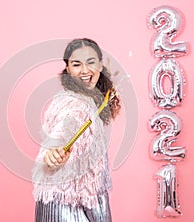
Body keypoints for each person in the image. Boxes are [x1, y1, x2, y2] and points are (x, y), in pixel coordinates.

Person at [32, 38, 121, 222]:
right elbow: (61, 132)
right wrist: (52, 154)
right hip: (63, 204)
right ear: (68, 69)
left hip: (88, 197)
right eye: (76, 64)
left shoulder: (92, 100)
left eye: (91, 62)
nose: (85, 70)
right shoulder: (72, 104)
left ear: (100, 65)